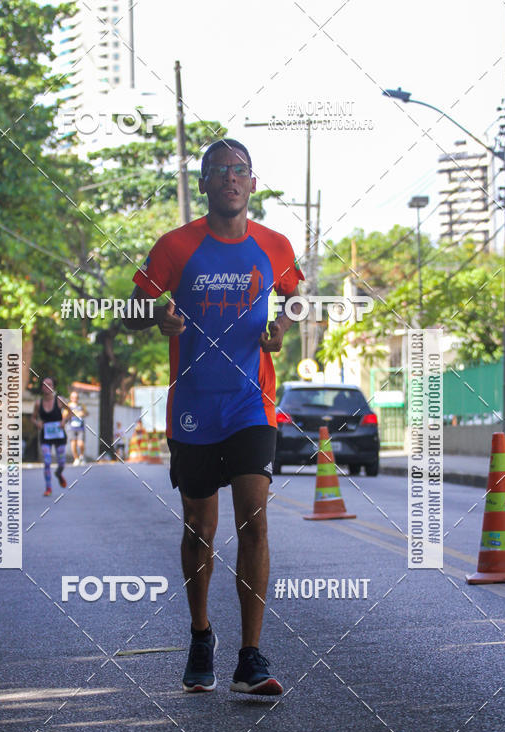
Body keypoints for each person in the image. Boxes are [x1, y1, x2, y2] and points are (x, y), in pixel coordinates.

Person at [126, 138, 304, 695]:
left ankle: (250, 656)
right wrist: (158, 317)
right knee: (200, 527)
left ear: (253, 183)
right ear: (203, 183)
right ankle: (201, 635)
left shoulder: (275, 245)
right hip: (195, 406)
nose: (230, 178)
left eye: (240, 171)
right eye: (219, 171)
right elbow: (132, 309)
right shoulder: (176, 246)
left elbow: (297, 297)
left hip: (252, 402)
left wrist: (284, 327)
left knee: (254, 517)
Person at [32, 376, 68, 497]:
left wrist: (64, 421)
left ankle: (58, 473)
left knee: (62, 462)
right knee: (47, 461)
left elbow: (71, 412)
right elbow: (33, 418)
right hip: (46, 436)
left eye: (49, 384)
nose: (47, 386)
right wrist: (37, 423)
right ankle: (48, 488)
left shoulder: (59, 400)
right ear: (42, 387)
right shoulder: (38, 403)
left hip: (59, 435)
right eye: (44, 384)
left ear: (53, 387)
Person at [66, 390, 87, 465]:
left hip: (80, 427)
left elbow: (86, 413)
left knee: (80, 443)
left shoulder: (81, 406)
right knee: (73, 443)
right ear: (71, 398)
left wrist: (82, 414)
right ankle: (76, 458)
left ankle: (81, 455)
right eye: (73, 397)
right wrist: (71, 415)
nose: (75, 399)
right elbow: (64, 416)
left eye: (76, 397)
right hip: (71, 427)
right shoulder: (68, 406)